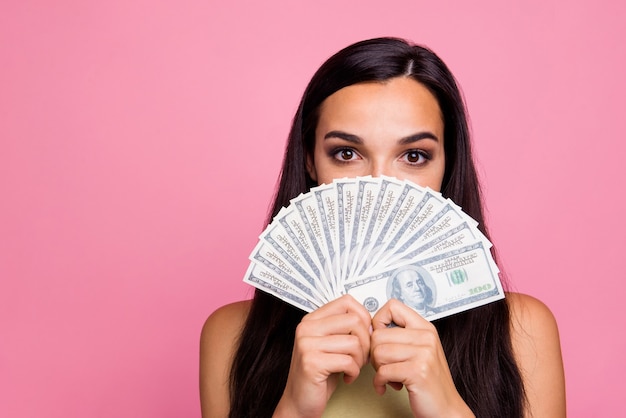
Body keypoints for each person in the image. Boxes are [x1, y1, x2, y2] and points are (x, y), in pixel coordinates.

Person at [200, 37, 566, 417]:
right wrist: (293, 406)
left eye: (413, 156)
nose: (378, 186)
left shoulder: (521, 332)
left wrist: (447, 408)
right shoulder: (231, 336)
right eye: (346, 153)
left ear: (447, 165)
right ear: (310, 161)